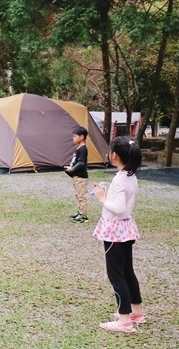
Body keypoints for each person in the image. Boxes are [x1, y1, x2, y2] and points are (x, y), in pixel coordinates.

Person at [92, 136, 145, 333]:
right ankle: (136, 313)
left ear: (114, 155)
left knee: (116, 275)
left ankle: (124, 320)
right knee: (127, 272)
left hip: (115, 231)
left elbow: (118, 207)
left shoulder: (119, 179)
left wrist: (102, 198)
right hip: (126, 228)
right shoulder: (130, 176)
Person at [65, 126, 89, 223]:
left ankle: (83, 216)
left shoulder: (83, 148)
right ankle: (79, 213)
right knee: (78, 195)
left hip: (81, 177)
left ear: (82, 137)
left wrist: (72, 169)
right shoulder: (79, 148)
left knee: (82, 196)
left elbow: (81, 163)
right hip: (76, 176)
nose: (73, 138)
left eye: (75, 136)